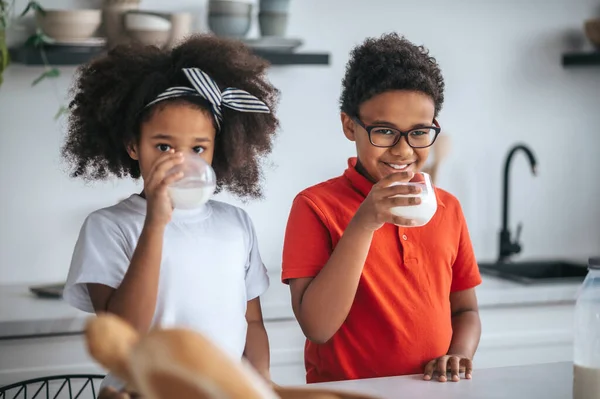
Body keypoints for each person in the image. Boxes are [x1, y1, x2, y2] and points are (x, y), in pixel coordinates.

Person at [61, 34, 280, 391]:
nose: (181, 161)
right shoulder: (108, 227)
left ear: (217, 150)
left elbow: (251, 323)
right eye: (163, 145)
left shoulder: (236, 224)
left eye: (198, 147)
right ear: (133, 145)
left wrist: (261, 383)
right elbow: (123, 336)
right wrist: (156, 224)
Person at [281, 33, 482, 384]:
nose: (403, 151)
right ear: (349, 125)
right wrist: (364, 223)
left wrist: (459, 355)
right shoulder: (314, 207)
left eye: (419, 132)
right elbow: (317, 327)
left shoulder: (447, 208)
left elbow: (465, 310)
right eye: (385, 131)